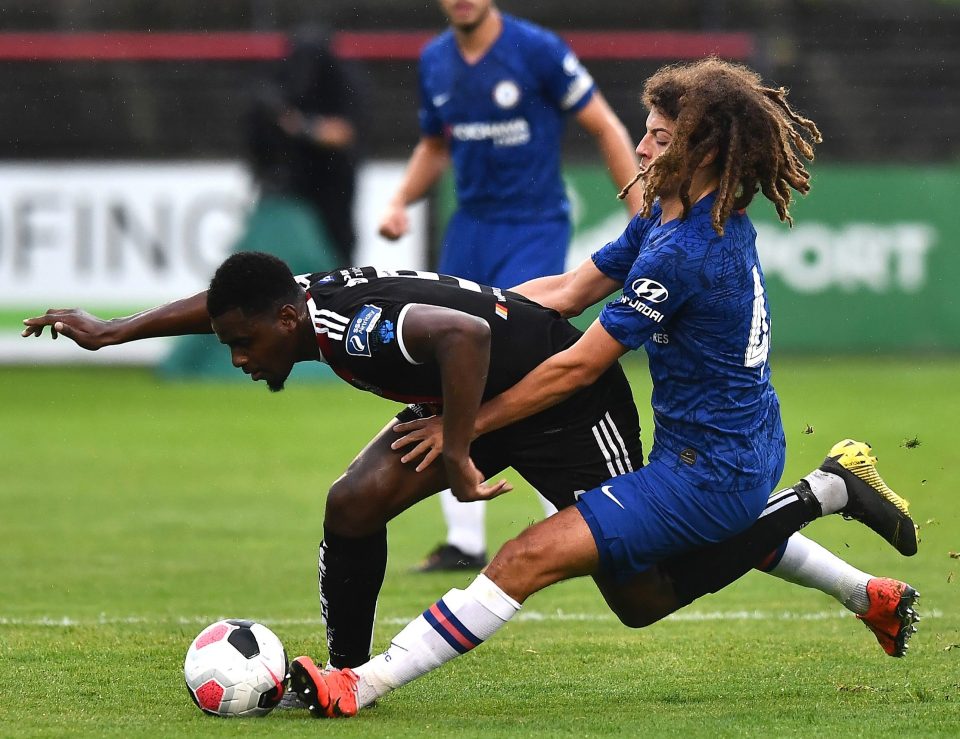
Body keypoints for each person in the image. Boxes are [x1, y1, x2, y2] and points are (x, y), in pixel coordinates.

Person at [277, 57, 920, 717]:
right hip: (727, 451)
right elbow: (565, 291)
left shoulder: (682, 252)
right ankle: (852, 549)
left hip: (713, 471)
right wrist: (471, 307)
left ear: (706, 152)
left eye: (662, 139)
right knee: (641, 596)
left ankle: (358, 684)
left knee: (527, 555)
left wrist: (463, 427)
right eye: (646, 131)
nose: (640, 146)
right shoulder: (668, 220)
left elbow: (578, 366)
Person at [23, 249, 917, 709]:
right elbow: (222, 301)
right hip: (482, 404)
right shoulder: (305, 307)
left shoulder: (357, 331)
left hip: (568, 405)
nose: (240, 356)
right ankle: (346, 672)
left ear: (288, 321)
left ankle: (824, 493)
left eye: (244, 344)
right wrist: (112, 330)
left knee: (643, 590)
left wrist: (456, 446)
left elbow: (466, 337)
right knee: (354, 500)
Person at [378, 0, 645, 571]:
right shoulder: (434, 61)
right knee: (444, 370)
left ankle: (572, 514)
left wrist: (643, 216)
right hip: (469, 230)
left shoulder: (538, 49)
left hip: (533, 226)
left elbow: (606, 126)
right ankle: (463, 538)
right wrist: (401, 200)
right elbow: (434, 145)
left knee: (522, 360)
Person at [248, 25, 364, 267]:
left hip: (335, 178)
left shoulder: (343, 81)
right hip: (296, 179)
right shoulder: (282, 80)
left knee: (337, 245)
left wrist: (302, 127)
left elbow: (343, 132)